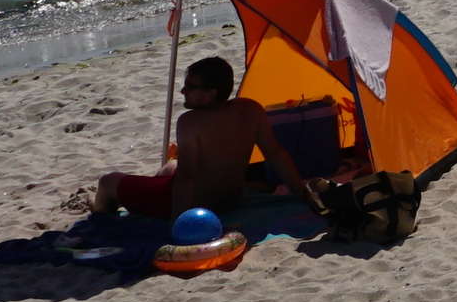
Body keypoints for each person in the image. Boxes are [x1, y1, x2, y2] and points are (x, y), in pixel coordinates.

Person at [99, 55, 322, 219]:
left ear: (211, 93)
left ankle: (99, 214)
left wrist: (178, 223)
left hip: (195, 208)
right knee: (170, 166)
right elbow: (275, 154)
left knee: (107, 182)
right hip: (229, 200)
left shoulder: (190, 122)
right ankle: (153, 186)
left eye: (190, 86)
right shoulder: (251, 109)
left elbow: (187, 179)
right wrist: (302, 193)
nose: (183, 92)